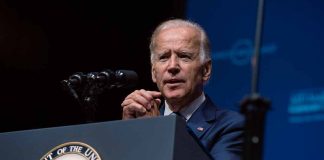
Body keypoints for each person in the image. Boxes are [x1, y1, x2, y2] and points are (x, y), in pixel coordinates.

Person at [121, 18, 245, 160]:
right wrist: (126, 135)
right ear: (154, 73)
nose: (172, 66)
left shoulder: (232, 126)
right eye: (163, 57)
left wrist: (157, 131)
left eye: (184, 56)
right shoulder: (140, 121)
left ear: (206, 70)